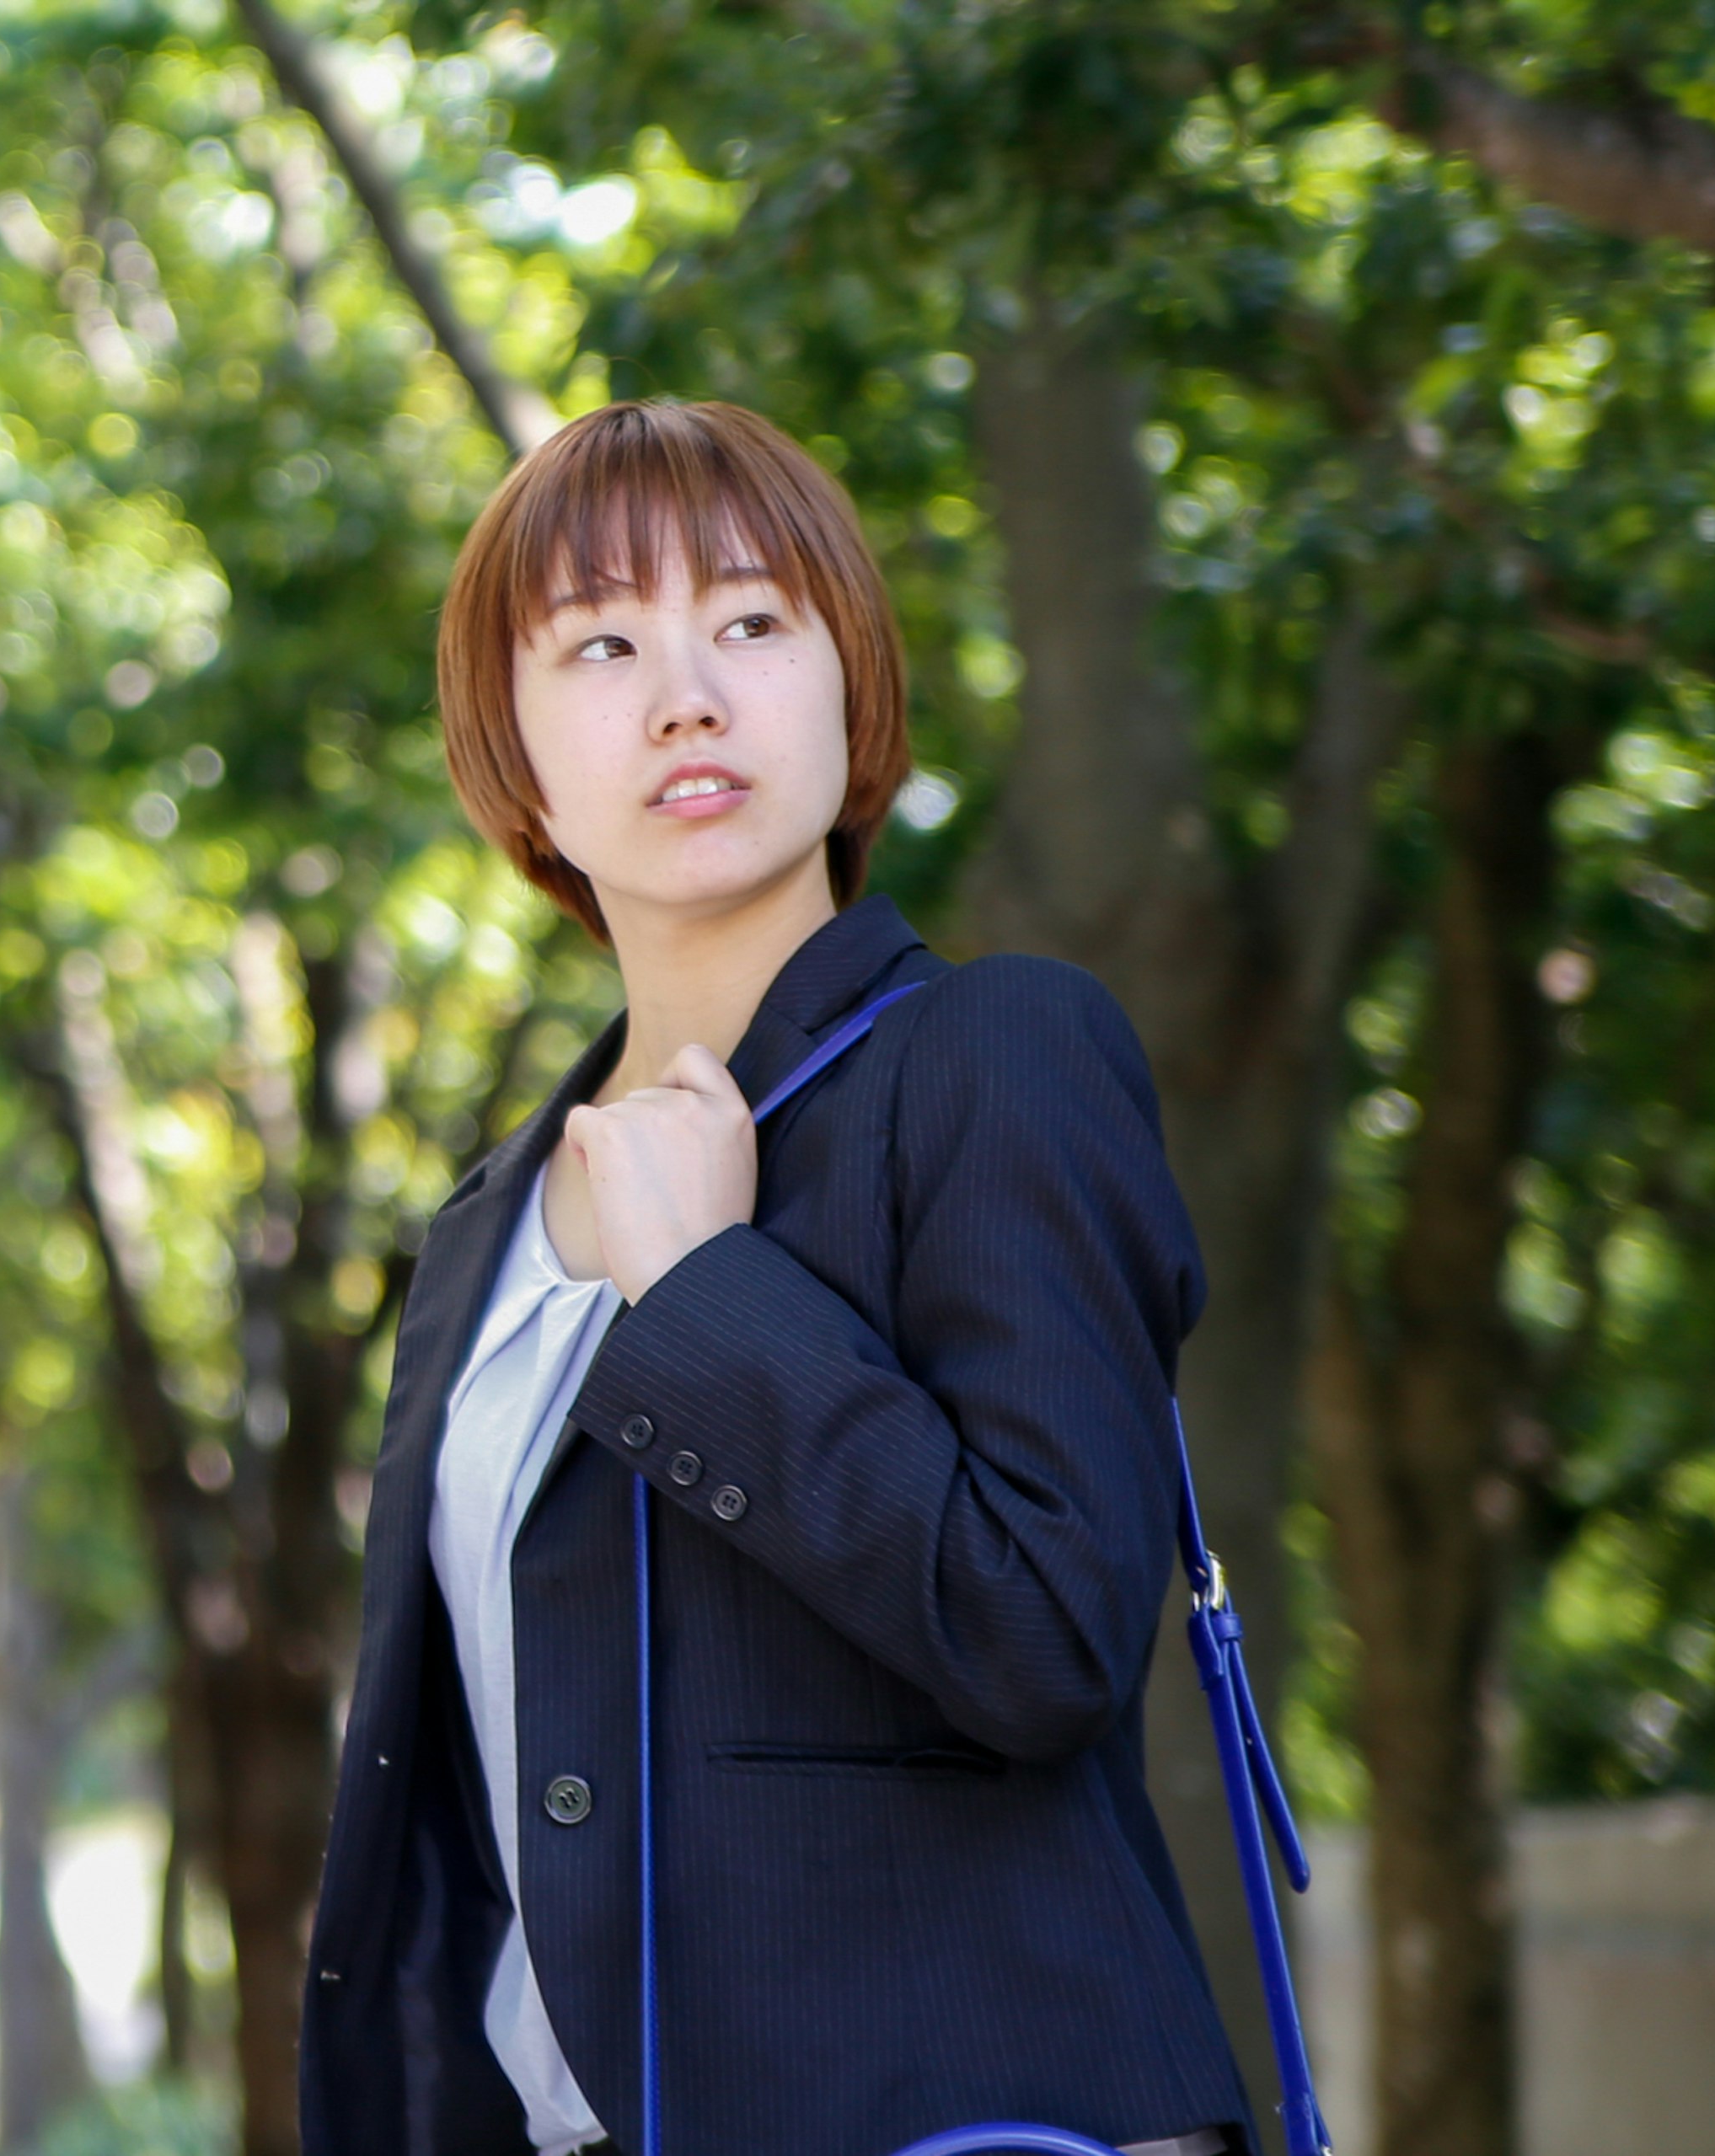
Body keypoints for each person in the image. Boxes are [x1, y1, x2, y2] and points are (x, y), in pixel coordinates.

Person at [297, 400, 1252, 2156]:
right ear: (513, 755)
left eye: (750, 621)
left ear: (849, 686)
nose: (688, 694)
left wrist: (714, 1297)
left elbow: (1049, 1629)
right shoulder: (483, 1228)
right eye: (603, 642)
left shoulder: (991, 1055)